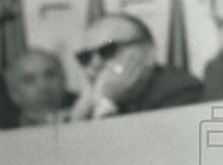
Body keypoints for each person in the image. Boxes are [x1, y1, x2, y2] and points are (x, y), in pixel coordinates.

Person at [70, 13, 202, 120]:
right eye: (85, 57)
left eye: (108, 50)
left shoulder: (179, 92)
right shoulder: (89, 101)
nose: (95, 63)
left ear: (149, 54)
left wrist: (105, 103)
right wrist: (80, 112)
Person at [0, 49, 75, 128]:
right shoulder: (2, 133)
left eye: (50, 75)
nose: (43, 86)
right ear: (13, 93)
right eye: (30, 80)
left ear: (63, 79)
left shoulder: (85, 116)